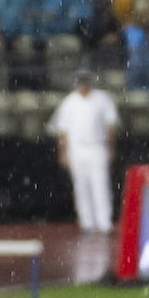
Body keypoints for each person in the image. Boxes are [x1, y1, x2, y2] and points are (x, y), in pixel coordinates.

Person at [53, 73, 121, 243]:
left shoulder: (102, 99)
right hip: (77, 148)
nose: (82, 85)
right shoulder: (69, 102)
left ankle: (104, 222)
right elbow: (63, 130)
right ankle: (86, 222)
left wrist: (111, 147)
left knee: (100, 184)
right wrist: (63, 152)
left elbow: (110, 124)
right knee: (80, 186)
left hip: (97, 146)